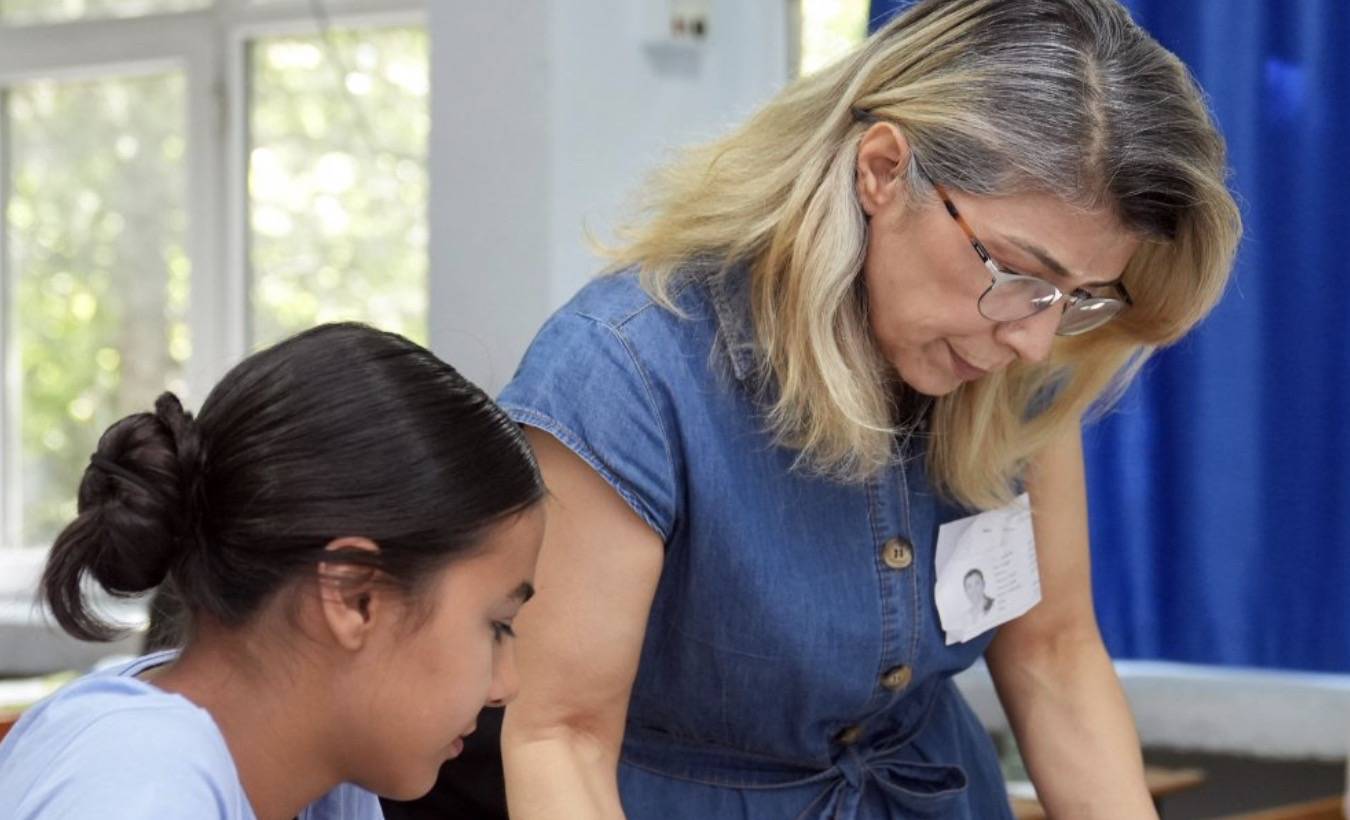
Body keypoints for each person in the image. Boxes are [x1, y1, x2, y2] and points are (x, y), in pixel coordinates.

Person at [495, 0, 1241, 817]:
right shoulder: (628, 372)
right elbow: (559, 738)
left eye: (1078, 296)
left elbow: (1054, 656)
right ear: (882, 170)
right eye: (1021, 273)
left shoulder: (1016, 354)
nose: (1036, 340)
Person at [0, 323, 546, 820]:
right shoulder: (139, 787)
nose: (506, 686)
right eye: (497, 624)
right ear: (355, 596)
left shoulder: (330, 776)